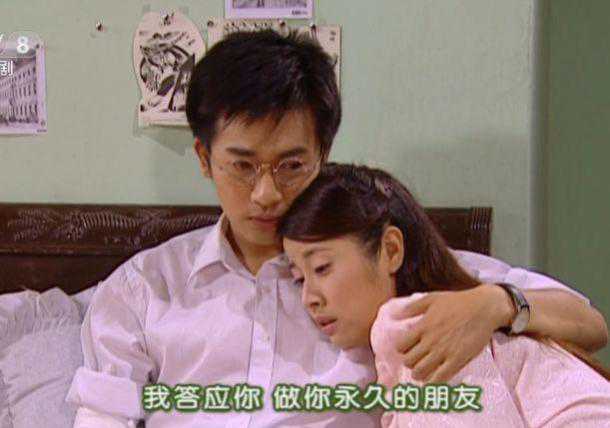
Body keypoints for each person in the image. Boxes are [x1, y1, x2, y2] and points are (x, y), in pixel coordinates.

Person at [66, 30, 608, 427]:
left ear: (322, 155)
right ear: (205, 159)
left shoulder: (374, 267)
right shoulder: (145, 288)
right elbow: (101, 416)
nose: (266, 193)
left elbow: (589, 324)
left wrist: (496, 303)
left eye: (291, 165)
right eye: (242, 165)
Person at [280, 163, 610, 427]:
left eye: (322, 268)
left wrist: (498, 302)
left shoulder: (420, 327)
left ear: (391, 250)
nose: (309, 298)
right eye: (298, 279)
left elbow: (593, 325)